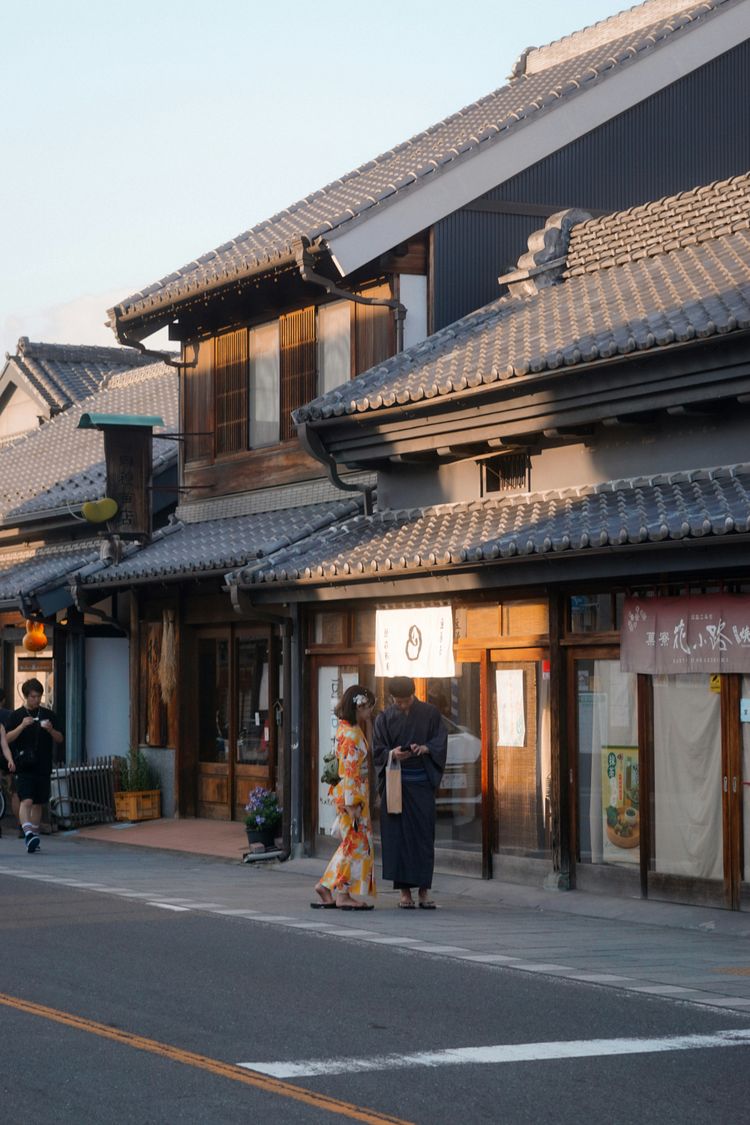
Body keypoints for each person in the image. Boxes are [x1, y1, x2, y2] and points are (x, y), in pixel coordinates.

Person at [373, 676, 447, 909]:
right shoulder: (384, 718)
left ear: (414, 695)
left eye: (406, 701)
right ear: (392, 698)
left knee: (424, 837)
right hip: (396, 783)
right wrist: (392, 753)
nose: (403, 705)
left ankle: (424, 891)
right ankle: (404, 892)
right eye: (399, 702)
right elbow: (377, 750)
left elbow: (440, 741)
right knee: (398, 838)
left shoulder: (430, 713)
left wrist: (424, 748)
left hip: (421, 782)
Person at [312, 685, 376, 911]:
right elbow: (349, 770)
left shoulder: (346, 729)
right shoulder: (351, 734)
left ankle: (328, 886)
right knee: (354, 844)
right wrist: (351, 804)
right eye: (369, 707)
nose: (370, 712)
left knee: (351, 843)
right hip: (352, 796)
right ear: (359, 706)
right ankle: (342, 892)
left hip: (351, 793)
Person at [4, 678, 63, 853]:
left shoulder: (48, 714)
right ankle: (28, 833)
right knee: (26, 799)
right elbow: (6, 739)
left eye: (39, 696)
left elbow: (60, 738)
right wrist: (22, 726)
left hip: (43, 764)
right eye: (33, 696)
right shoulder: (16, 715)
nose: (37, 700)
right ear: (25, 696)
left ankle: (33, 836)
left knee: (38, 802)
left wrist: (50, 730)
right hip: (24, 764)